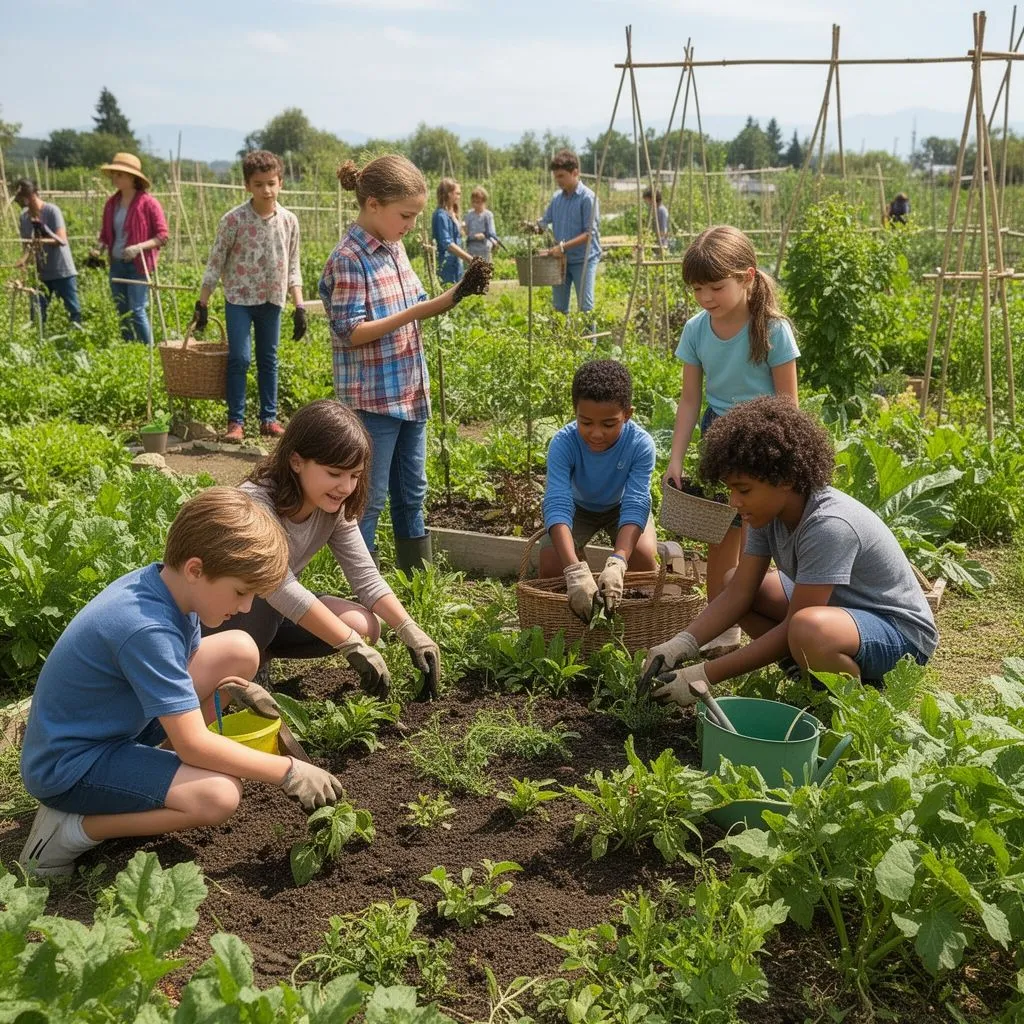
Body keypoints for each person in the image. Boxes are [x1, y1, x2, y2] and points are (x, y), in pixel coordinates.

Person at [17, 487, 345, 878]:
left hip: (109, 726)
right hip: (68, 766)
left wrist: (227, 687)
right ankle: (68, 831)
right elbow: (192, 743)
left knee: (238, 650)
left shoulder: (170, 590)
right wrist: (287, 771)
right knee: (218, 795)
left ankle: (154, 782)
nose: (244, 607)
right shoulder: (146, 628)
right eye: (241, 592)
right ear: (195, 568)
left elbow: (182, 671)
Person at [642, 396, 938, 706]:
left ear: (785, 480)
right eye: (731, 489)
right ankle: (807, 671)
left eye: (743, 490)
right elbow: (739, 594)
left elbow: (795, 625)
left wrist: (702, 675)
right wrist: (681, 644)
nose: (733, 502)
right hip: (840, 616)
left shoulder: (828, 525)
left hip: (899, 634)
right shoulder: (764, 513)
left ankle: (858, 701)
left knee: (807, 631)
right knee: (733, 583)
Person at [204, 399, 441, 699]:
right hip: (225, 616)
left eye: (354, 475)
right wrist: (348, 643)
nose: (346, 486)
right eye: (335, 473)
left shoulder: (332, 506)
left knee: (363, 624)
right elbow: (278, 586)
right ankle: (236, 667)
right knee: (269, 600)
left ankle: (260, 658)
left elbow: (365, 577)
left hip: (273, 615)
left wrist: (410, 630)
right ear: (296, 461)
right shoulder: (256, 504)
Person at [663, 225, 799, 657]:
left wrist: (783, 462)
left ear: (748, 277)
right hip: (719, 435)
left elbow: (788, 404)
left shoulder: (773, 331)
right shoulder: (697, 330)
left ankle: (777, 613)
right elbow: (689, 400)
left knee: (768, 533)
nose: (706, 298)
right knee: (721, 532)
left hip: (766, 439)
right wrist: (676, 458)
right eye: (697, 288)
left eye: (715, 287)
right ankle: (722, 630)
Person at [319, 155, 460, 570]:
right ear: (374, 204)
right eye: (405, 215)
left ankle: (416, 576)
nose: (411, 224)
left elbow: (411, 301)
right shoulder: (349, 257)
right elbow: (351, 329)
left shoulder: (394, 248)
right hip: (373, 400)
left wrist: (444, 300)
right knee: (371, 494)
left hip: (409, 390)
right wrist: (417, 313)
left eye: (415, 215)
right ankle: (364, 583)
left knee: (413, 488)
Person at [194, 150, 304, 443]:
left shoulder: (289, 221)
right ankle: (236, 422)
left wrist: (300, 305)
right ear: (247, 186)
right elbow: (215, 262)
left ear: (280, 182)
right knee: (240, 359)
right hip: (239, 299)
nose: (266, 190)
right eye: (259, 184)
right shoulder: (234, 220)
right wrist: (202, 302)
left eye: (271, 183)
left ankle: (269, 419)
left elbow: (293, 265)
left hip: (273, 299)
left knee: (269, 359)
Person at [539, 359, 657, 622]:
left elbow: (636, 502)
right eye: (586, 422)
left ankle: (634, 622)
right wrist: (573, 570)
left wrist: (618, 561)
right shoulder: (563, 443)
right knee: (550, 562)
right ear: (575, 412)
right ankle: (574, 618)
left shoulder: (640, 445)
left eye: (608, 424)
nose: (596, 433)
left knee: (644, 559)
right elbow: (557, 503)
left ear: (627, 414)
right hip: (579, 509)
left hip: (621, 508)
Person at [97, 152, 168, 345]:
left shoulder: (149, 203)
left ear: (132, 177)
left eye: (119, 174)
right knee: (122, 309)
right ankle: (129, 347)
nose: (115, 178)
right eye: (114, 174)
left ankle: (149, 350)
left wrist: (138, 247)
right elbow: (105, 233)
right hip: (117, 263)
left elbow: (162, 236)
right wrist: (98, 248)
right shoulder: (112, 204)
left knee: (137, 310)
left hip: (138, 265)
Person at [536, 149, 602, 314]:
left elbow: (589, 234)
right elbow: (544, 223)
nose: (558, 181)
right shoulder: (557, 198)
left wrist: (563, 247)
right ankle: (560, 341)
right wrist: (535, 227)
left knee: (585, 308)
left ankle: (588, 340)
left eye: (561, 176)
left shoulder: (587, 198)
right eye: (556, 177)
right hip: (561, 260)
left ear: (575, 173)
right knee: (559, 308)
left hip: (584, 260)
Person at [13, 178, 81, 328]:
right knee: (37, 312)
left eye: (29, 198)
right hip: (40, 273)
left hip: (62, 270)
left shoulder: (51, 210)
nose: (27, 203)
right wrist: (24, 261)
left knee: (73, 310)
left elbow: (61, 239)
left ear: (34, 194)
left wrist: (42, 238)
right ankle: (39, 343)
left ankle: (77, 339)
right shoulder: (24, 217)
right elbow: (28, 246)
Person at [431, 177, 471, 284]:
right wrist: (468, 258)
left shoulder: (453, 213)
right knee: (448, 293)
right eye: (457, 193)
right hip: (446, 265)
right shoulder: (441, 215)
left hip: (456, 263)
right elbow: (446, 243)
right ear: (449, 194)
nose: (459, 196)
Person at [464, 186, 499, 262]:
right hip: (472, 248)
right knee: (473, 271)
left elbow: (492, 232)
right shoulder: (469, 215)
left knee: (485, 270)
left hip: (484, 248)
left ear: (484, 202)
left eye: (478, 202)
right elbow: (466, 232)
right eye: (473, 202)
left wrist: (485, 236)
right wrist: (464, 229)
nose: (475, 204)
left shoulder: (488, 215)